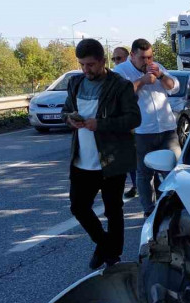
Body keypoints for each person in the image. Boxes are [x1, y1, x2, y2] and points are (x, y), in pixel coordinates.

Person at [63, 39, 141, 270]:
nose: (86, 70)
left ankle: (112, 256)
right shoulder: (75, 83)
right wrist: (69, 119)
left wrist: (101, 124)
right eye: (82, 65)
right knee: (78, 207)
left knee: (112, 210)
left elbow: (134, 119)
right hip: (81, 160)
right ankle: (104, 243)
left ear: (102, 62)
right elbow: (65, 110)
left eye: (90, 65)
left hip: (111, 160)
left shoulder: (120, 85)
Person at [112, 38, 181, 217]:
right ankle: (149, 211)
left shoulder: (156, 66)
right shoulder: (120, 71)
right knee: (145, 173)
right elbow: (119, 95)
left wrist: (161, 76)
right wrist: (141, 81)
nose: (147, 62)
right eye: (143, 58)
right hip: (142, 130)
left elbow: (174, 87)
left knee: (174, 170)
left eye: (150, 57)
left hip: (167, 128)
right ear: (132, 55)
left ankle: (175, 207)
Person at [111, 46, 137, 199]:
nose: (115, 62)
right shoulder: (115, 75)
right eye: (114, 59)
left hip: (137, 122)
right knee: (128, 156)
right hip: (122, 122)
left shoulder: (132, 72)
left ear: (128, 58)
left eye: (118, 58)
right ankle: (135, 185)